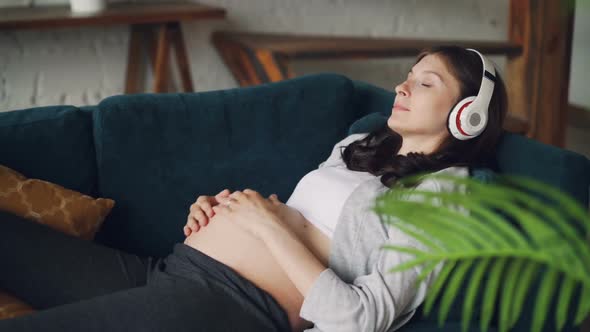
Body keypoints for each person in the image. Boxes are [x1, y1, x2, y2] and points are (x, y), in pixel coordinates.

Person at [0, 46, 507, 332]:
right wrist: (221, 212)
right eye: (408, 75)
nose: (401, 87)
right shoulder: (363, 143)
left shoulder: (443, 199)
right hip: (171, 271)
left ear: (468, 115)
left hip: (231, 307)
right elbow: (303, 219)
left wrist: (264, 225)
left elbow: (361, 318)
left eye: (425, 82)